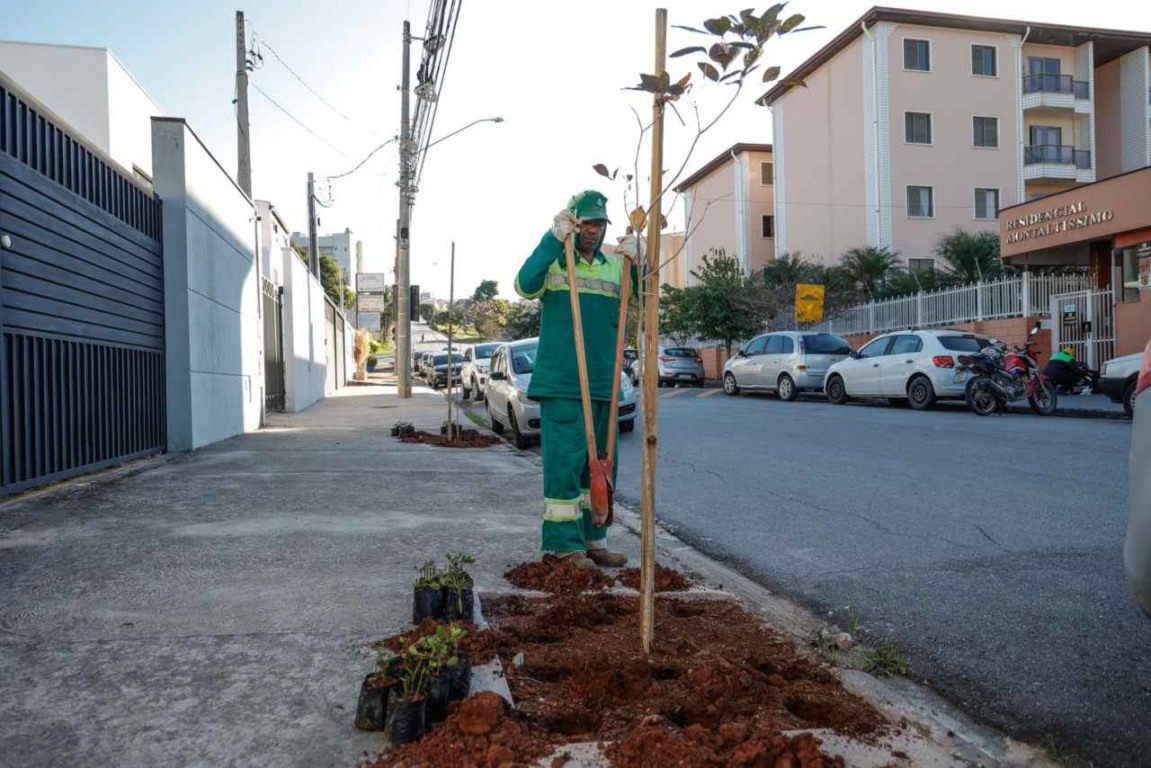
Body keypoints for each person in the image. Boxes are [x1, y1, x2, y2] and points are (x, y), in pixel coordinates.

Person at [515, 191, 638, 570]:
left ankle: (593, 539)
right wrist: (552, 238)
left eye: (599, 223)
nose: (593, 230)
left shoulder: (616, 266)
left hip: (603, 380)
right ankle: (563, 545)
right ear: (575, 223)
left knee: (599, 465)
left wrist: (642, 262)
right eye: (586, 223)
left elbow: (648, 297)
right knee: (564, 464)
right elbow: (523, 284)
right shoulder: (557, 260)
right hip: (562, 380)